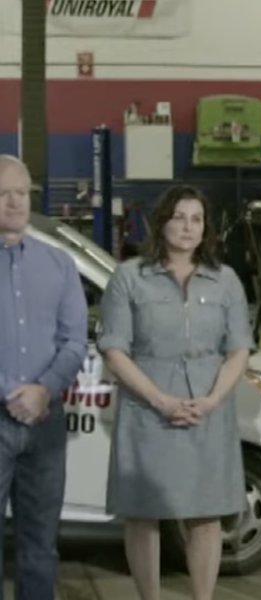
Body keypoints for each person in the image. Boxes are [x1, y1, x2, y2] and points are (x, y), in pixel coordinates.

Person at [97, 185, 254, 600]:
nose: (187, 227)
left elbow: (240, 348)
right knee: (144, 515)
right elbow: (114, 349)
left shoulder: (226, 281)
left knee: (206, 515)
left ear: (206, 228)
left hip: (208, 410)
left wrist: (213, 399)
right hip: (148, 412)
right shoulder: (129, 277)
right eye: (179, 217)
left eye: (196, 219)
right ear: (161, 221)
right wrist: (160, 400)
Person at [0, 155, 88, 600]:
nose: (15, 201)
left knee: (39, 547)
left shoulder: (60, 265)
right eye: (3, 192)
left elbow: (75, 342)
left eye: (22, 191)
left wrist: (43, 390)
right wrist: (11, 394)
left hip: (45, 423)